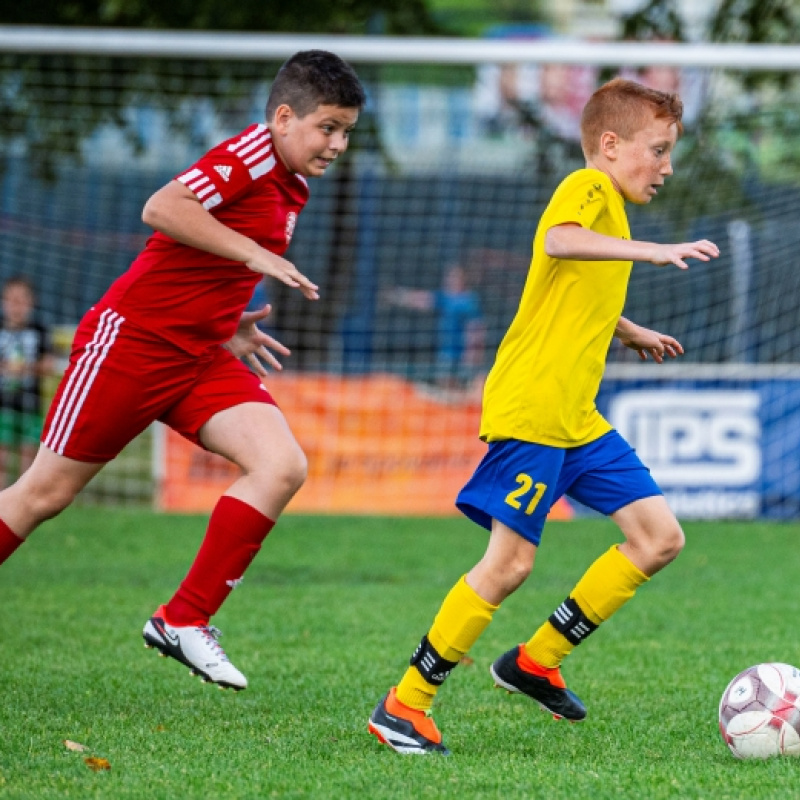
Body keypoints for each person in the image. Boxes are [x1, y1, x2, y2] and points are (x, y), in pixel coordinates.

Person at [368, 77, 719, 754]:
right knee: (508, 565)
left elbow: (574, 287)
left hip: (576, 416)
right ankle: (404, 704)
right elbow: (559, 242)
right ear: (610, 145)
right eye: (658, 149)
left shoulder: (613, 213)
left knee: (658, 538)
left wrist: (629, 328)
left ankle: (535, 660)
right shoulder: (589, 188)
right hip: (533, 407)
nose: (667, 166)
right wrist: (654, 253)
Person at [0, 50, 365, 691]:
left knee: (281, 465)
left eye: (347, 132)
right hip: (131, 346)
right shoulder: (250, 155)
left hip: (199, 355)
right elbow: (164, 208)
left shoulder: (294, 185)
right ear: (283, 117)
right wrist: (254, 255)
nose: (337, 144)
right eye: (328, 127)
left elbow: (197, 267)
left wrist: (230, 325)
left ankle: (183, 620)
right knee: (42, 497)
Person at [383, 264, 485, 389]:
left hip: (462, 356)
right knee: (446, 389)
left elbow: (476, 330)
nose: (451, 280)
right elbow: (423, 299)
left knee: (463, 391)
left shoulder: (468, 301)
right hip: (446, 355)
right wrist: (400, 296)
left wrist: (471, 355)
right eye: (449, 277)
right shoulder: (445, 298)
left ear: (464, 279)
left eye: (455, 277)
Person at [0, 277, 55, 486]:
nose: (16, 306)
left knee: (28, 457)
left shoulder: (39, 330)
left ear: (31, 303)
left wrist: (27, 368)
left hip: (30, 405)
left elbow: (48, 365)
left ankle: (21, 499)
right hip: (2, 404)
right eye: (12, 300)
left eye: (22, 300)